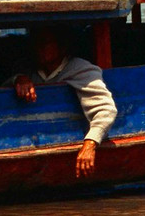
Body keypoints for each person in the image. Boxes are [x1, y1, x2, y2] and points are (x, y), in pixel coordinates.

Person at [11, 26, 117, 177]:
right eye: (36, 42)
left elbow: (106, 110)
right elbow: (6, 84)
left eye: (45, 42)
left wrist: (90, 144)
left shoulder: (81, 69)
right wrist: (18, 80)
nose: (39, 48)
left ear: (63, 47)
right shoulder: (26, 70)